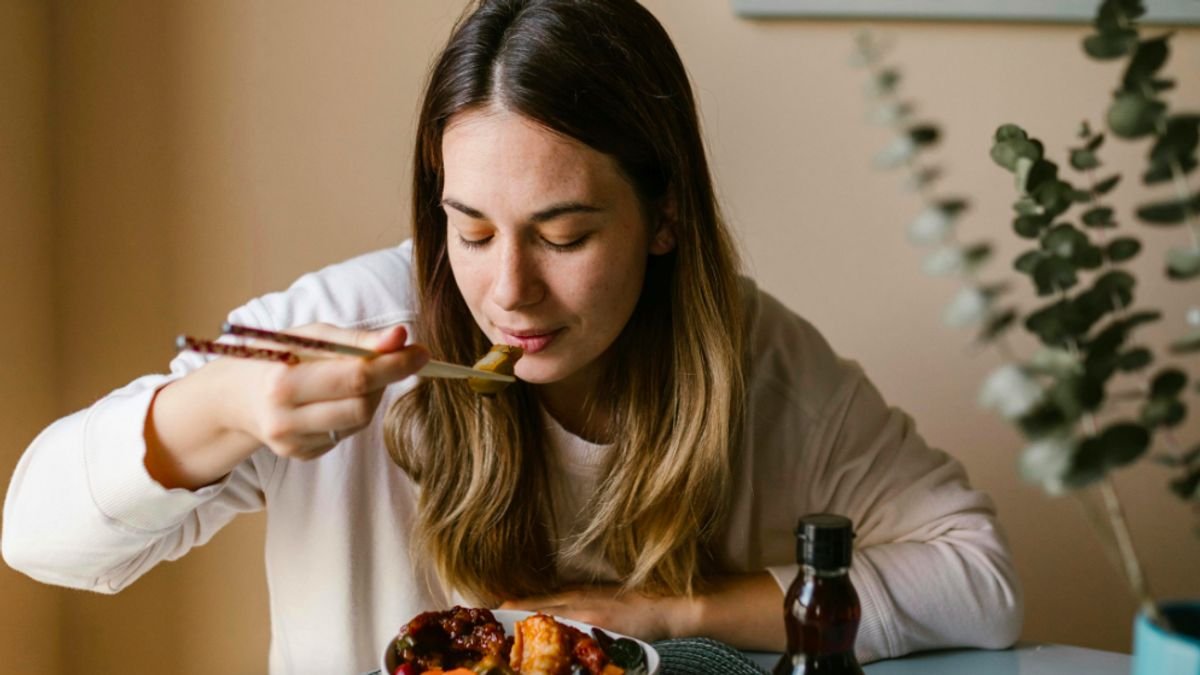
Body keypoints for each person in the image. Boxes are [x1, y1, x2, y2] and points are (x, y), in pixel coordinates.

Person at [2, 0, 1023, 673]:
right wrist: (220, 408)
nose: (508, 291)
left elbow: (979, 579)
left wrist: (673, 612)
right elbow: (36, 540)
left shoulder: (754, 356)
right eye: (470, 229)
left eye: (565, 234)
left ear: (665, 217)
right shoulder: (350, 327)